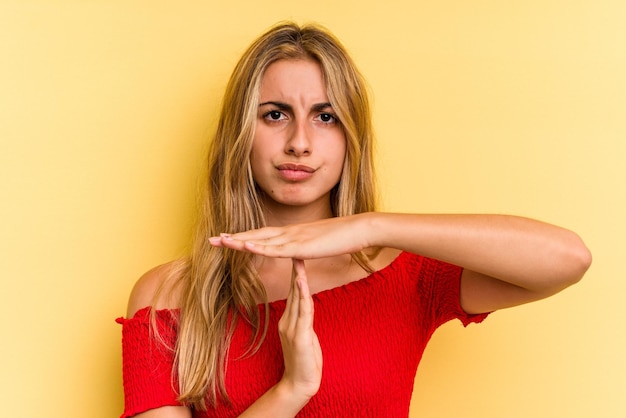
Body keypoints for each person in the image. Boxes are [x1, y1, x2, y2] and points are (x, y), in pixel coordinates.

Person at [117, 22, 592, 418]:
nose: (299, 142)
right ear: (240, 134)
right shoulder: (170, 297)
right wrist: (292, 389)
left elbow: (567, 258)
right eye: (275, 114)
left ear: (351, 138)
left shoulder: (401, 274)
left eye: (325, 117)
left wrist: (371, 226)